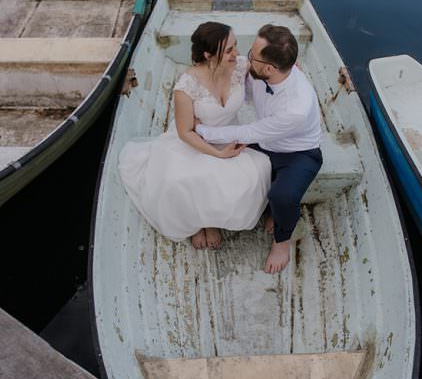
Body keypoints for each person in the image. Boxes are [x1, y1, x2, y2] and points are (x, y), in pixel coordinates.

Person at [118, 22, 271, 250]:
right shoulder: (186, 86)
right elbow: (184, 132)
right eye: (229, 50)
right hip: (191, 142)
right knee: (181, 180)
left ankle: (212, 220)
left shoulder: (240, 67)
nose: (236, 54)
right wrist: (218, 154)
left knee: (256, 173)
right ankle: (199, 223)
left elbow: (270, 70)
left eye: (235, 46)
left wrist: (289, 66)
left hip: (228, 135)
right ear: (209, 55)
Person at [196, 24, 322, 273]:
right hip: (267, 139)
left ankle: (282, 240)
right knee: (213, 160)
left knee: (282, 196)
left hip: (298, 153)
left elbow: (251, 132)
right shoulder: (267, 71)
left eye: (252, 55)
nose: (245, 58)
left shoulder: (296, 108)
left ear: (269, 68)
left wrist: (202, 131)